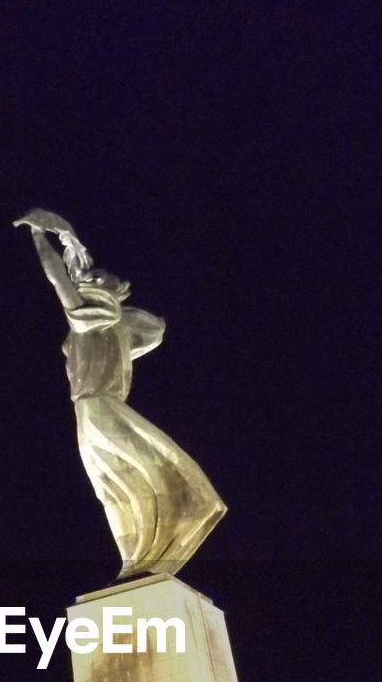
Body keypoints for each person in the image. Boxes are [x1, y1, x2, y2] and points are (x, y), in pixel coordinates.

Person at [15, 208, 226, 578]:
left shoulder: (100, 320)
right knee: (115, 486)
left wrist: (39, 236)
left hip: (100, 408)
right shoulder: (99, 323)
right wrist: (60, 238)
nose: (84, 281)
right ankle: (136, 560)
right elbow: (66, 278)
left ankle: (146, 557)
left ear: (110, 290)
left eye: (95, 278)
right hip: (92, 410)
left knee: (134, 479)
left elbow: (58, 277)